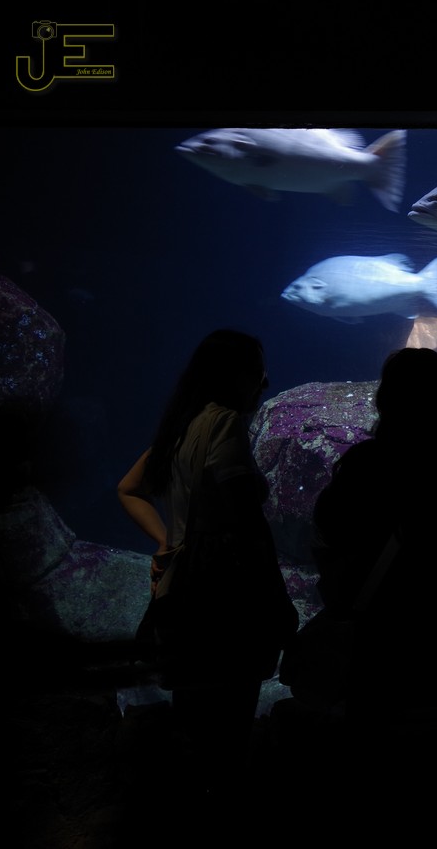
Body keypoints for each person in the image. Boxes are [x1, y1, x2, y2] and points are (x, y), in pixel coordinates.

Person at [117, 328, 296, 796]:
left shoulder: (184, 425)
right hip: (224, 601)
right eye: (256, 371)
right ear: (234, 375)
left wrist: (168, 543)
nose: (264, 382)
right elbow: (244, 516)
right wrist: (277, 599)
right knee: (228, 731)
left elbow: (128, 489)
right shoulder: (223, 423)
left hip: (179, 596)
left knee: (192, 727)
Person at [311, 347, 437, 721]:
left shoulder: (364, 462)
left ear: (385, 399)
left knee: (380, 726)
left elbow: (329, 524)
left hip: (384, 619)